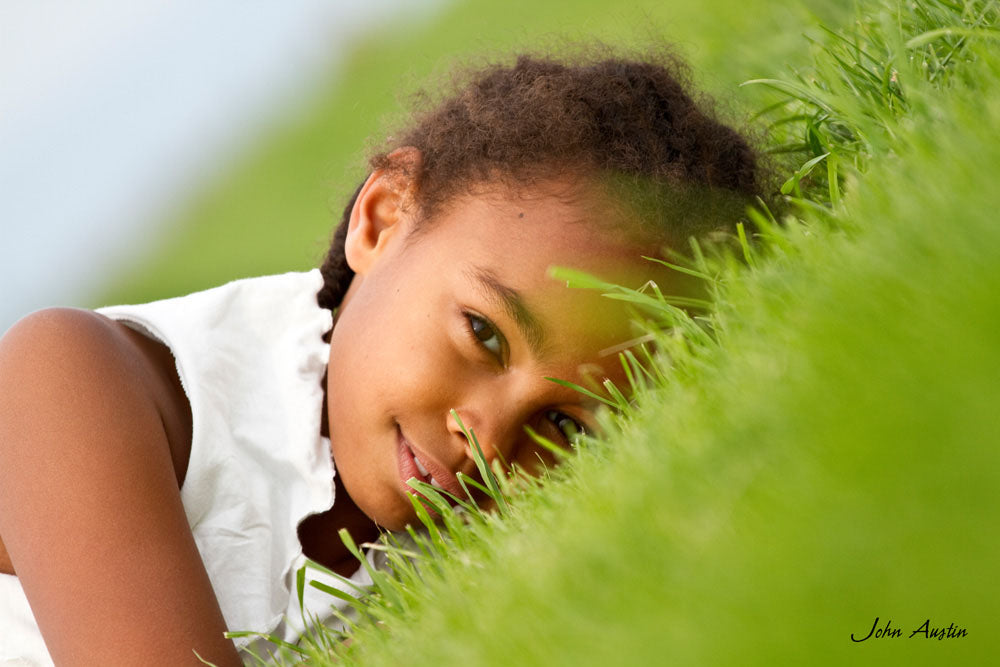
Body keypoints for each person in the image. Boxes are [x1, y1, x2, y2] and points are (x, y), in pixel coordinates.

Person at [0, 49, 762, 665]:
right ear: (381, 217)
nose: (490, 438)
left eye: (563, 422)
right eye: (484, 333)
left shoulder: (476, 552)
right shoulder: (70, 377)